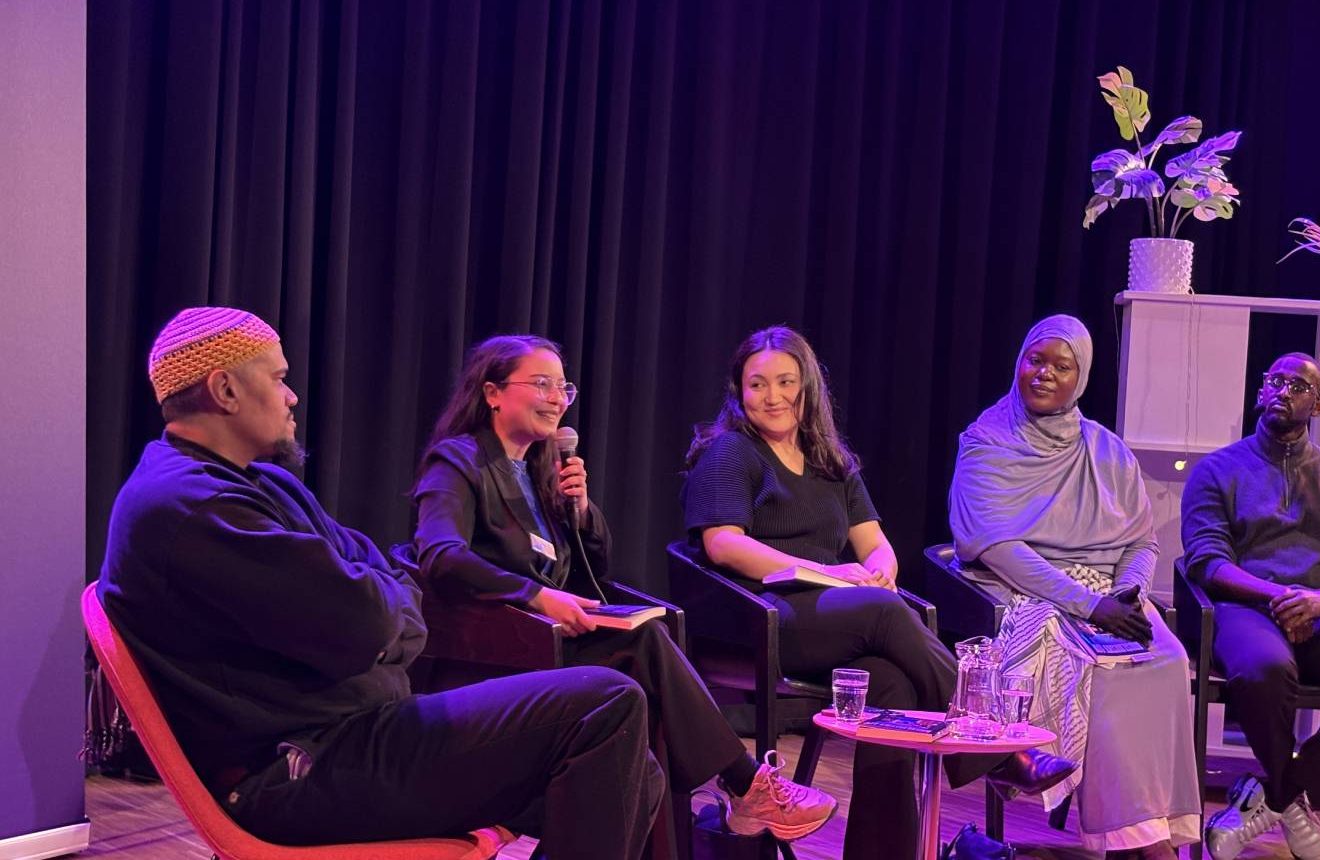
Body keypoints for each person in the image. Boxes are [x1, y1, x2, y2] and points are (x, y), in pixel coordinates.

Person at [98, 308, 662, 858]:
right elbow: (367, 621)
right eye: (278, 378)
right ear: (225, 390)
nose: (292, 396)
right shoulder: (195, 506)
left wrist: (383, 614)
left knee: (636, 771)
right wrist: (382, 616)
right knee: (606, 704)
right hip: (296, 769)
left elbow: (381, 576)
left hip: (356, 735)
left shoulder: (264, 484)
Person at [411, 334, 836, 841]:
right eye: (541, 384)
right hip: (495, 653)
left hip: (555, 641)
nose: (556, 399)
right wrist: (535, 596)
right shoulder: (458, 461)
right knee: (646, 645)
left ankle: (720, 804)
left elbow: (591, 571)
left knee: (653, 646)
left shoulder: (541, 469)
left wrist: (581, 511)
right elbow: (440, 556)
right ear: (492, 393)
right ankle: (746, 786)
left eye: (563, 388)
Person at [681, 325, 1075, 859]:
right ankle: (998, 750)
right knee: (883, 612)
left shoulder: (829, 462)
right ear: (739, 391)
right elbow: (723, 544)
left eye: (785, 382)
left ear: (807, 387)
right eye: (757, 384)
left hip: (832, 617)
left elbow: (875, 545)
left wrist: (881, 570)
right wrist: (822, 571)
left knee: (892, 685)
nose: (772, 396)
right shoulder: (731, 452)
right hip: (763, 617)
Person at [948, 315, 1201, 859]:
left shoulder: (1107, 450)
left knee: (1168, 659)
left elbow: (1142, 541)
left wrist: (1128, 594)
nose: (1043, 374)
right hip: (1030, 591)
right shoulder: (987, 441)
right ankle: (1138, 842)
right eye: (1034, 360)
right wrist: (1090, 605)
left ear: (1080, 377)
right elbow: (996, 547)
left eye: (1061, 366)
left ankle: (1153, 827)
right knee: (1102, 672)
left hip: (1111, 594)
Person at [1182, 352, 1320, 860]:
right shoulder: (1216, 470)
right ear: (1260, 392)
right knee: (1264, 669)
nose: (1283, 391)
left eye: (1298, 386)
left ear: (1319, 406)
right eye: (1275, 381)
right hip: (1247, 608)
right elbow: (1206, 560)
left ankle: (1276, 795)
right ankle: (1292, 804)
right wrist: (1278, 596)